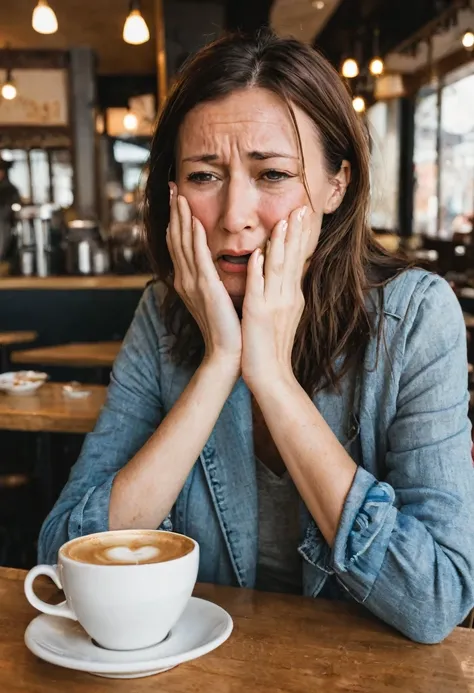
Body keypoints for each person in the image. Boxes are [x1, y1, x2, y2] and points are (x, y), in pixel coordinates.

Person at [38, 31, 474, 644]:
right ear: (171, 191)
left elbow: (436, 599)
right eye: (203, 174)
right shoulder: (163, 318)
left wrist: (271, 377)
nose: (234, 214)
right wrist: (220, 362)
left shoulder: (417, 319)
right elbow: (64, 560)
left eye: (271, 174)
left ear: (335, 185)